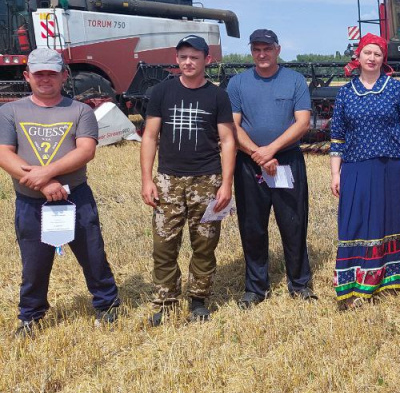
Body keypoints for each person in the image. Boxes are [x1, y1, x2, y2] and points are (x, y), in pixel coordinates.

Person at [0, 48, 120, 336]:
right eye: (39, 73)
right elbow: (4, 154)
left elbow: (86, 151)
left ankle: (107, 304)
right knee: (34, 262)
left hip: (75, 197)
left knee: (92, 254)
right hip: (30, 201)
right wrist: (43, 183)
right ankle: (31, 315)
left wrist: (47, 172)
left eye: (51, 74)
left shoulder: (80, 111)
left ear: (64, 76)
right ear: (27, 76)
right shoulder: (9, 111)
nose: (45, 79)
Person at [141, 34, 236, 326]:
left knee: (205, 243)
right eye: (183, 57)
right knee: (164, 244)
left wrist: (227, 184)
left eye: (194, 57)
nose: (188, 62)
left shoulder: (217, 95)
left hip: (207, 180)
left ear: (207, 60)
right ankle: (166, 300)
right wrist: (147, 179)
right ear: (176, 58)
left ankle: (198, 299)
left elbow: (228, 141)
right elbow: (149, 136)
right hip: (169, 180)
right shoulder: (161, 92)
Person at [227, 28, 315, 307]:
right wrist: (257, 153)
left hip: (286, 161)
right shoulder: (238, 84)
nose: (262, 54)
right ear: (251, 52)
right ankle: (256, 287)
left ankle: (299, 284)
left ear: (278, 49)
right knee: (252, 225)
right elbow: (232, 125)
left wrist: (271, 150)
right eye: (256, 49)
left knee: (293, 222)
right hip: (249, 163)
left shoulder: (295, 81)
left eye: (267, 48)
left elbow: (302, 123)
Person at [330, 33, 400, 307]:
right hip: (356, 166)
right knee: (356, 221)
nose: (372, 58)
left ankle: (393, 279)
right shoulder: (345, 92)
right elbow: (337, 138)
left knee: (392, 220)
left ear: (383, 59)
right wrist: (335, 173)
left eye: (377, 54)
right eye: (367, 53)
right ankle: (357, 281)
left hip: (393, 165)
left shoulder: (396, 89)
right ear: (358, 56)